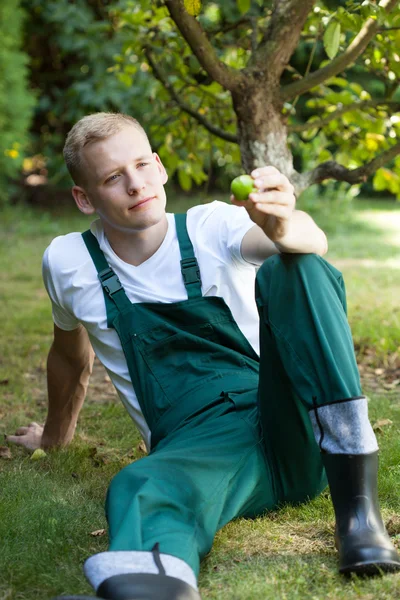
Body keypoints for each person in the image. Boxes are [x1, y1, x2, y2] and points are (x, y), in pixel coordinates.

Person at [7, 112, 400, 600]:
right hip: (202, 449)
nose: (135, 185)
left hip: (290, 421)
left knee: (297, 266)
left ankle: (358, 515)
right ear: (85, 197)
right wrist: (53, 438)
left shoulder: (212, 225)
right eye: (113, 177)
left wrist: (282, 222)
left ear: (159, 166)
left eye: (141, 166)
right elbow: (69, 358)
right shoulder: (69, 262)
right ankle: (155, 588)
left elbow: (310, 244)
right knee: (140, 484)